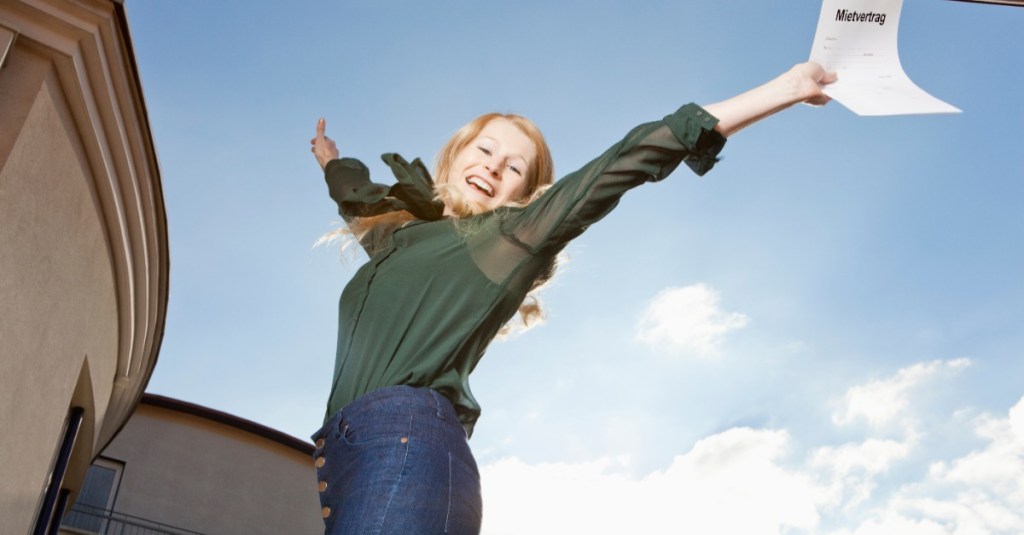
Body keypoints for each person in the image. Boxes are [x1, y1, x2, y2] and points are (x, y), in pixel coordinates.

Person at [309, 61, 836, 534]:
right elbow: (352, 197)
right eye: (485, 149)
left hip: (406, 445)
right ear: (455, 156)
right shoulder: (394, 237)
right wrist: (330, 160)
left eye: (514, 167)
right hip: (344, 459)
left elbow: (624, 162)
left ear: (524, 195)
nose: (493, 167)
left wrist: (788, 88)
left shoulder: (506, 240)